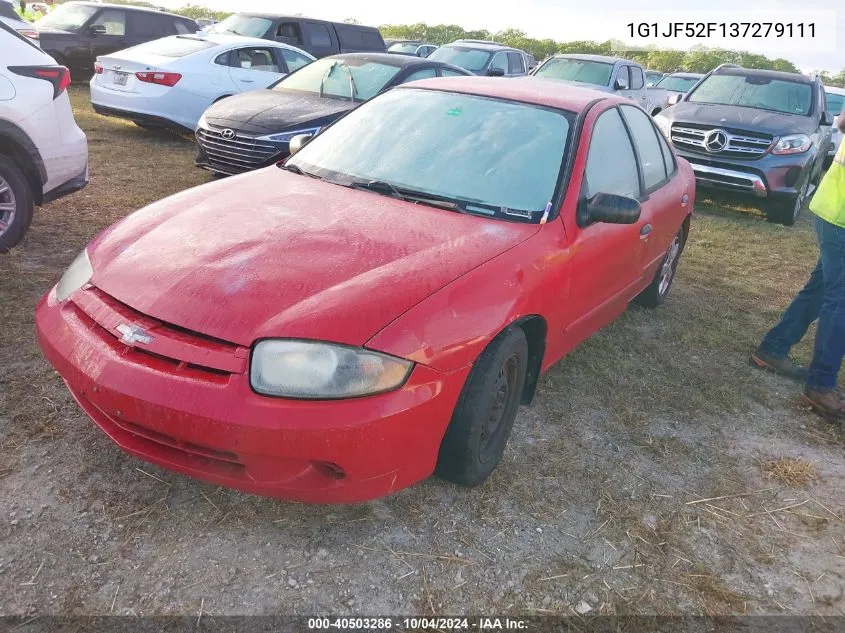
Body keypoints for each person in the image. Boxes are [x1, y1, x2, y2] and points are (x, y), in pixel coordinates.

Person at [750, 110, 845, 423]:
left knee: (821, 290)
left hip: (834, 211)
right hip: (840, 216)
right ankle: (820, 384)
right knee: (839, 299)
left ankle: (773, 348)